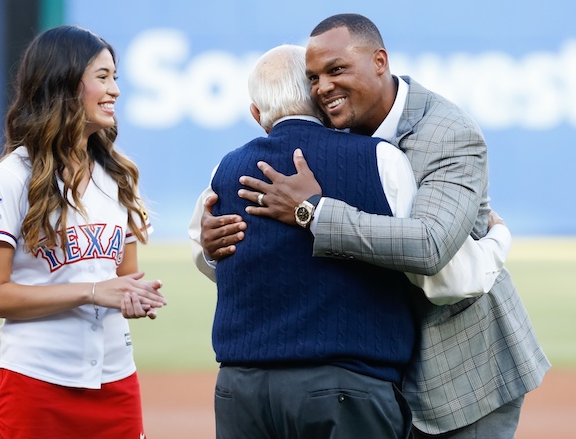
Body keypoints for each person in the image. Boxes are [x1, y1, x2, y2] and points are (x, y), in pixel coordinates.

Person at [195, 14, 550, 439]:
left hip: (463, 372)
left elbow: (431, 246)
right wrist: (209, 247)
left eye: (336, 70)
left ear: (379, 61)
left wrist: (313, 212)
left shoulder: (448, 132)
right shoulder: (334, 128)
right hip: (374, 370)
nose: (323, 87)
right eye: (312, 77)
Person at [0, 25, 167, 439]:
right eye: (103, 77)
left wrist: (133, 296)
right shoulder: (13, 177)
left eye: (116, 78)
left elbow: (122, 278)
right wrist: (92, 292)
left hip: (115, 382)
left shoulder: (119, 175)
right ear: (64, 83)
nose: (115, 90)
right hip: (35, 384)